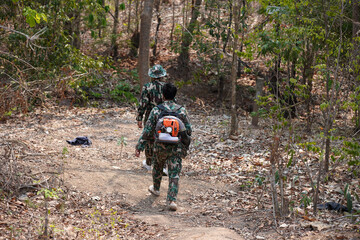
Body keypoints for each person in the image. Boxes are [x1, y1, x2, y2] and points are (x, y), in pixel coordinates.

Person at [135, 83, 192, 211]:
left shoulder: (157, 110)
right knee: (174, 173)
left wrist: (139, 146)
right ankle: (172, 200)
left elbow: (148, 130)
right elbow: (188, 130)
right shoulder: (181, 110)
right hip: (176, 146)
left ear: (163, 95)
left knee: (158, 167)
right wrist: (185, 145)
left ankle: (156, 188)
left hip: (159, 146)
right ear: (174, 95)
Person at [136, 64, 166, 171]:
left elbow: (143, 104)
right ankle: (163, 165)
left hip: (150, 116)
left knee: (149, 139)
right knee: (164, 138)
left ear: (152, 75)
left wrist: (139, 117)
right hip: (165, 118)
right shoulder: (167, 87)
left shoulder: (147, 87)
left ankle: (149, 163)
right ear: (162, 75)